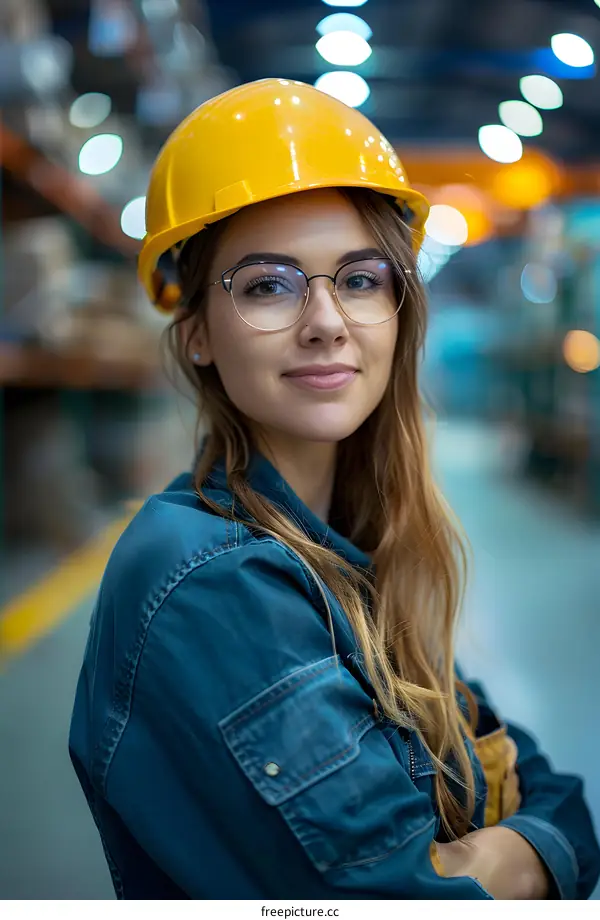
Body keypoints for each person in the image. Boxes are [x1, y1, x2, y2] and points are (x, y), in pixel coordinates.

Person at [69, 78, 600, 900]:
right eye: (268, 285)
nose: (326, 320)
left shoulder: (348, 550)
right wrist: (518, 855)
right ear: (199, 334)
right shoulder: (211, 580)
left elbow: (560, 796)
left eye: (359, 278)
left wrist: (512, 856)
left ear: (399, 306)